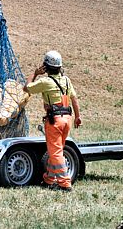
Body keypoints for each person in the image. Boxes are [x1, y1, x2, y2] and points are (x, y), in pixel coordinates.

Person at [23, 50, 82, 192]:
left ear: (46, 66)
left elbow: (27, 88)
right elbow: (74, 99)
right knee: (55, 150)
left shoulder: (45, 82)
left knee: (55, 153)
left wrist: (36, 73)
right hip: (67, 119)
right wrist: (78, 117)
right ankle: (49, 179)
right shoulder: (66, 80)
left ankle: (65, 183)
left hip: (54, 120)